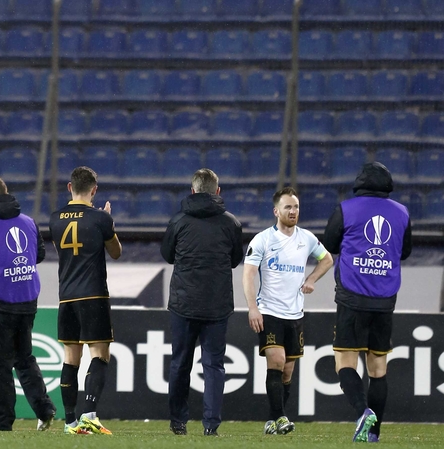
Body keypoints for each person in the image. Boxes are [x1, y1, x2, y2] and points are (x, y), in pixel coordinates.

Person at [323, 162, 412, 443]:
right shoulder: (402, 212)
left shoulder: (347, 208)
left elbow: (330, 243)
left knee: (344, 363)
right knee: (378, 369)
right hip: (385, 299)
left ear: (359, 183)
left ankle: (363, 413)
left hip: (352, 296)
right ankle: (373, 434)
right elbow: (405, 251)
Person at [0, 176, 56, 432]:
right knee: (24, 358)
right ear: (7, 193)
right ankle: (44, 408)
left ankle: (1, 422)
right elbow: (38, 254)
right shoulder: (28, 222)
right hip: (27, 298)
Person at [243, 187, 334, 435]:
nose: (293, 211)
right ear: (276, 211)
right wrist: (253, 308)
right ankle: (281, 417)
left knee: (287, 371)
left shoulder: (306, 238)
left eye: (296, 207)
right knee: (277, 361)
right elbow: (248, 275)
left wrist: (312, 278)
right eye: (288, 207)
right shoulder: (262, 240)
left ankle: (273, 420)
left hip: (295, 314)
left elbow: (327, 259)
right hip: (269, 311)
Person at [161, 168, 243, 437]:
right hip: (217, 305)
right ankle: (211, 424)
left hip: (183, 304)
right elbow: (234, 261)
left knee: (180, 363)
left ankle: (178, 421)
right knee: (214, 365)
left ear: (192, 190)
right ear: (217, 191)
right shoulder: (231, 223)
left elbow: (168, 255)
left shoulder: (178, 221)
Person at [49, 166, 122, 435]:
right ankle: (89, 414)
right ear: (94, 190)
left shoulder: (55, 218)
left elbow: (62, 252)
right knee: (100, 354)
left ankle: (69, 423)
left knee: (70, 358)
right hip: (93, 293)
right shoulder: (100, 218)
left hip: (66, 296)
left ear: (70, 188)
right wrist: (108, 224)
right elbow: (116, 252)